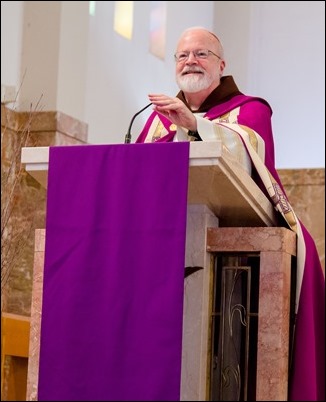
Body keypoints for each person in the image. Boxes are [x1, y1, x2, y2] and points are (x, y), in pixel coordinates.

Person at [136, 27, 325, 401]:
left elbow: (250, 158)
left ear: (221, 65)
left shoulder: (250, 108)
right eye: (182, 55)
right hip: (166, 237)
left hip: (241, 241)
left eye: (201, 54)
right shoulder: (155, 118)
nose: (190, 60)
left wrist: (194, 127)